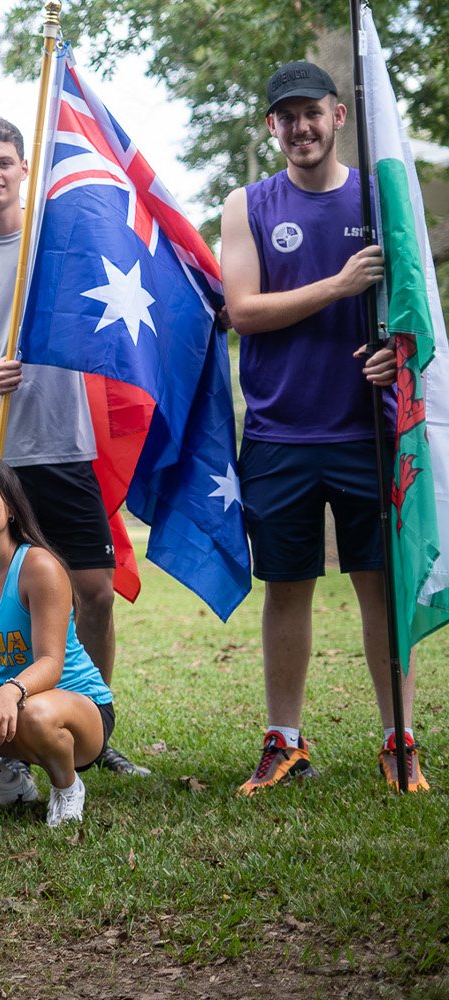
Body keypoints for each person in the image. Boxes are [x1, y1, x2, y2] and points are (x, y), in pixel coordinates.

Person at [0, 117, 145, 779]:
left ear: (23, 170)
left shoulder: (56, 246)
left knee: (94, 591)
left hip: (62, 443)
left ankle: (94, 730)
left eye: (5, 162)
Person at [219, 61, 419, 793]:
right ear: (272, 127)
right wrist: (337, 285)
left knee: (380, 587)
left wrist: (396, 357)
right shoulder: (247, 204)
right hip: (280, 433)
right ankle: (285, 740)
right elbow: (243, 310)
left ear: (339, 114)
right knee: (287, 586)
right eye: (287, 117)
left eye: (314, 113)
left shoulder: (380, 196)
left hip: (369, 430)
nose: (301, 127)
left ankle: (399, 739)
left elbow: (414, 305)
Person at [0, 456, 119, 827]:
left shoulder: (39, 566)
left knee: (34, 714)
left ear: (10, 508)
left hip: (77, 709)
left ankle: (67, 787)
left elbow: (51, 663)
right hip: (9, 706)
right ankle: (5, 779)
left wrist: (8, 692)